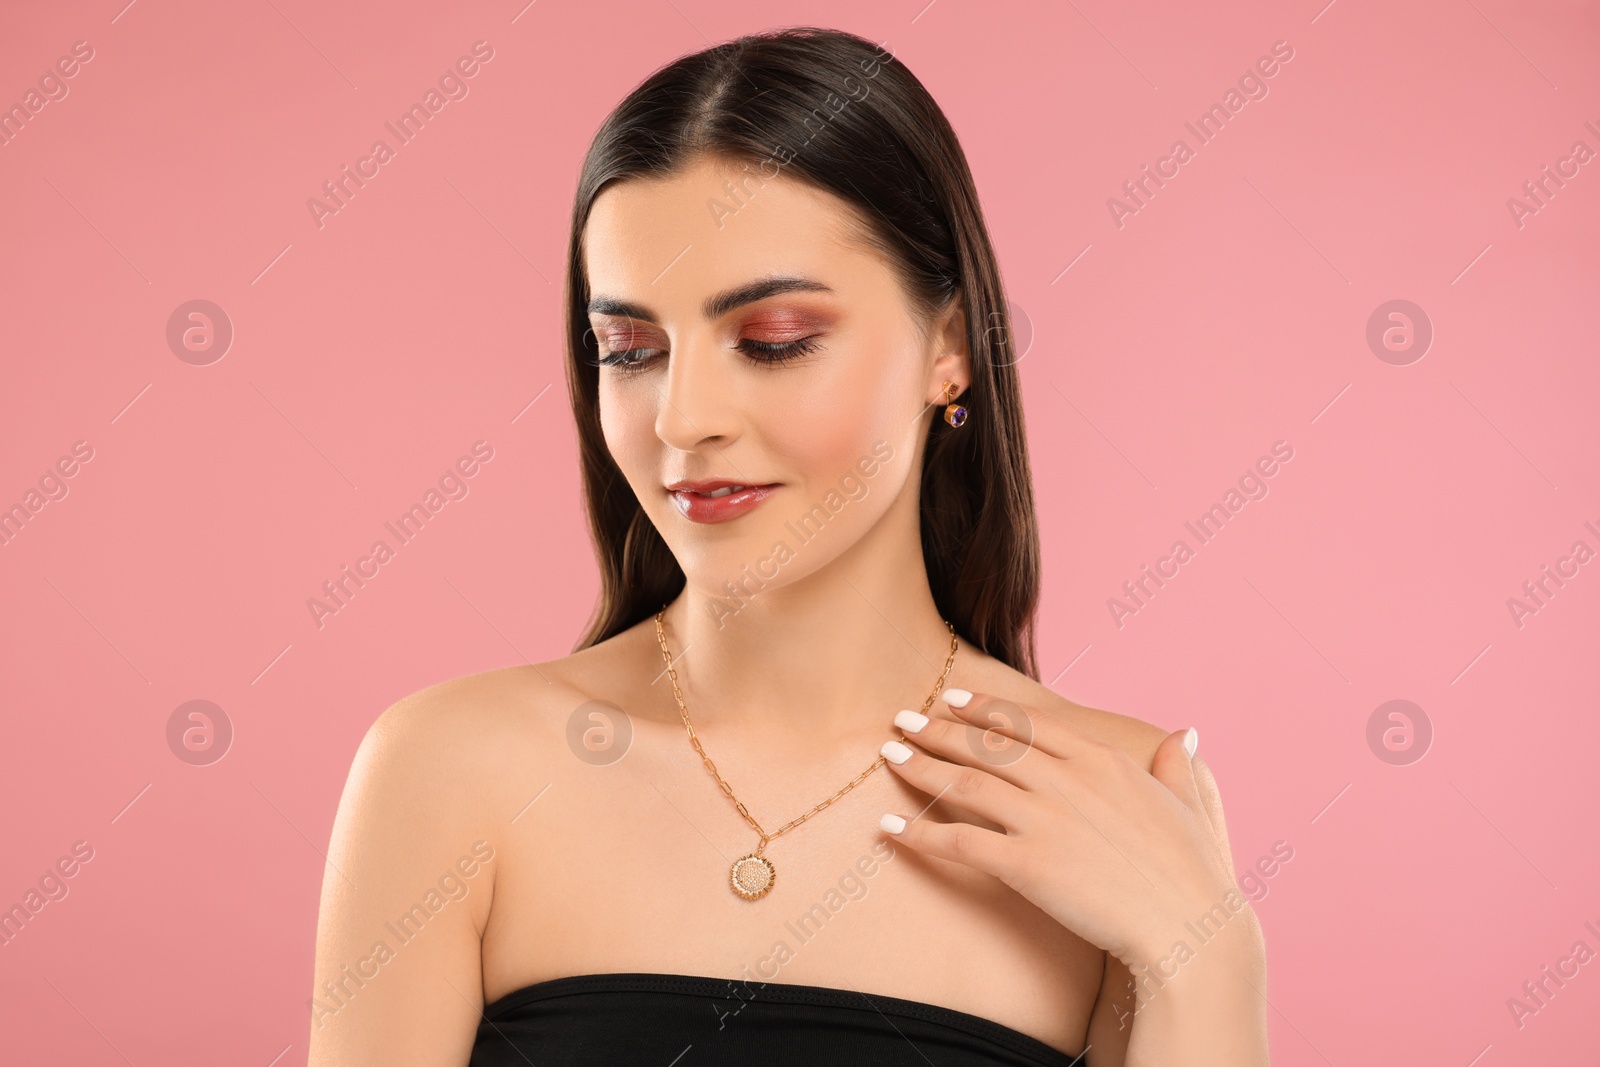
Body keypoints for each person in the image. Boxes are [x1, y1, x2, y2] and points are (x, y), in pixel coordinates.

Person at [308, 25, 1268, 1067]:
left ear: (948, 347)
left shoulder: (1111, 806)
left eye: (771, 341)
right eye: (629, 350)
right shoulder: (453, 769)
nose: (683, 419)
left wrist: (1211, 956)